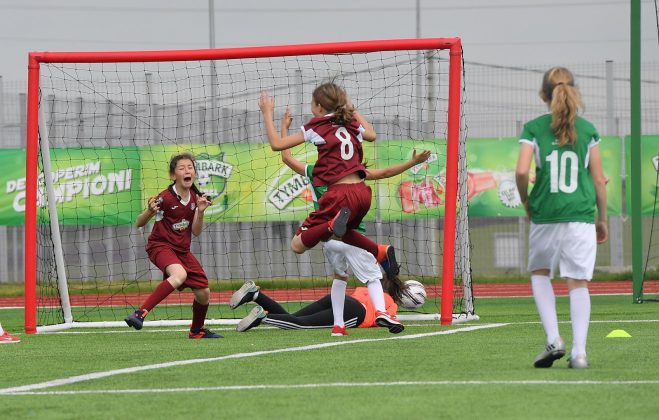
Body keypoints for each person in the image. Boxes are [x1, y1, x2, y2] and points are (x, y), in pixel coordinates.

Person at [274, 107, 431, 336]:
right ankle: (382, 313)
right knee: (374, 277)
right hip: (352, 237)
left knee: (340, 276)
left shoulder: (314, 171)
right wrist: (411, 162)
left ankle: (338, 326)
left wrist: (284, 128)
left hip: (327, 238)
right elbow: (386, 172)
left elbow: (286, 157)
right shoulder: (357, 173)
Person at [515, 67, 608, 369]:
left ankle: (554, 338)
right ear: (574, 90)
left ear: (543, 94)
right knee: (578, 282)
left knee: (540, 272)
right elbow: (598, 180)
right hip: (580, 214)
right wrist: (602, 219)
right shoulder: (588, 130)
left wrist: (526, 200)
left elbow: (521, 171)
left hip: (546, 213)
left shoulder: (533, 128)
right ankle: (579, 353)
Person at [258, 83, 399, 281]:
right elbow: (372, 135)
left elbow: (277, 146)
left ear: (319, 106)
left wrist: (267, 112)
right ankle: (379, 251)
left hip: (338, 197)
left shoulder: (317, 129)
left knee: (297, 245)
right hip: (362, 192)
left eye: (311, 103)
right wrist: (353, 110)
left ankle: (333, 225)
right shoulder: (351, 124)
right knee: (343, 234)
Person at [124, 153, 222, 339]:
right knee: (179, 275)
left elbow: (196, 231)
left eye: (190, 168)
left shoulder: (195, 198)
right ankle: (140, 314)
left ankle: (197, 330)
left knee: (204, 293)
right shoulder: (165, 198)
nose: (187, 171)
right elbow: (139, 222)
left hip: (182, 251)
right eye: (182, 168)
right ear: (172, 175)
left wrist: (201, 212)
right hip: (160, 246)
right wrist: (149, 211)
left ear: (195, 174)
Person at [228, 273, 407, 334]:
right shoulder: (390, 302)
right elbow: (384, 320)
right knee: (302, 324)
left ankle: (256, 295)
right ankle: (262, 317)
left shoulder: (364, 289)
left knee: (292, 318)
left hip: (341, 299)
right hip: (356, 312)